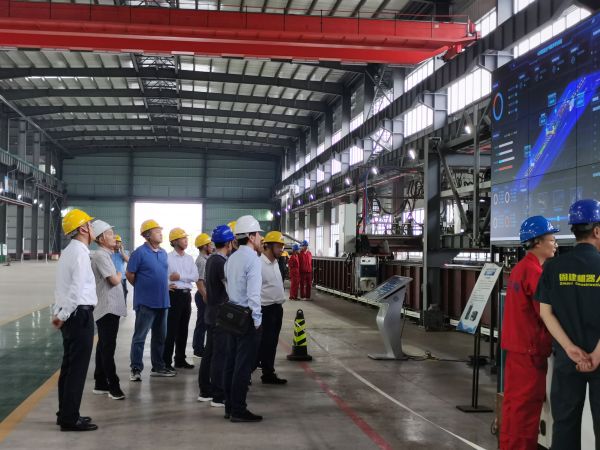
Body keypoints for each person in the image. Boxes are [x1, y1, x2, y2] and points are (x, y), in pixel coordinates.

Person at [537, 199, 600, 450]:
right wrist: (596, 354)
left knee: (564, 425)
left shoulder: (553, 267)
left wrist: (570, 348)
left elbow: (546, 313)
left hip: (567, 361)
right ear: (597, 231)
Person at [500, 216, 559, 450]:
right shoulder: (535, 273)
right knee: (525, 411)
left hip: (517, 350)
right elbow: (545, 313)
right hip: (530, 352)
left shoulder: (520, 269)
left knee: (514, 407)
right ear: (537, 242)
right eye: (551, 239)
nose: (555, 244)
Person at [52, 208, 98, 431]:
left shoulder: (68, 251)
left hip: (70, 316)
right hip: (79, 315)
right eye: (89, 224)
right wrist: (63, 314)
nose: (92, 227)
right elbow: (76, 290)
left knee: (69, 367)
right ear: (83, 229)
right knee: (77, 370)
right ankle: (70, 419)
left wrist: (59, 312)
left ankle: (65, 413)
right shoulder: (80, 253)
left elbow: (61, 287)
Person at [223, 215, 264, 423]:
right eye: (258, 234)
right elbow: (254, 294)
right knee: (243, 366)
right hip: (246, 317)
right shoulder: (253, 260)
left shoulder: (231, 258)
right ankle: (239, 409)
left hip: (232, 315)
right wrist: (257, 320)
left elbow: (228, 286)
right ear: (250, 236)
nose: (261, 238)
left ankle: (229, 407)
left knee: (231, 363)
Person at [127, 219, 174, 381]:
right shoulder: (139, 253)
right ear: (147, 235)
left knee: (160, 337)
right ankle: (135, 369)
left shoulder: (163, 253)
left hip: (163, 301)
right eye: (157, 231)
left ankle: (158, 367)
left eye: (161, 231)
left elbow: (161, 275)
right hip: (146, 303)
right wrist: (142, 288)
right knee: (140, 337)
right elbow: (130, 274)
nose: (161, 234)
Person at [198, 225, 235, 407]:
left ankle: (205, 390)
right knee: (220, 355)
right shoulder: (221, 262)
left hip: (212, 312)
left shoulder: (212, 259)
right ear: (229, 243)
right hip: (220, 314)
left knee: (210, 353)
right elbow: (230, 288)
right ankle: (218, 395)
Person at [91, 220, 127, 401]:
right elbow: (113, 280)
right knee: (108, 348)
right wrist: (119, 275)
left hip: (110, 307)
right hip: (107, 308)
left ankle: (100, 383)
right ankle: (113, 385)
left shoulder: (107, 255)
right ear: (101, 238)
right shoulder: (100, 256)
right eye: (110, 234)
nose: (114, 237)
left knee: (103, 346)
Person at [164, 227, 199, 370]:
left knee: (183, 329)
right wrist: (166, 285)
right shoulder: (167, 258)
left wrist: (180, 277)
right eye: (183, 238)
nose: (186, 241)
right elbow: (163, 275)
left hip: (186, 296)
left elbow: (195, 276)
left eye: (186, 238)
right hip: (174, 295)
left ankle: (180, 359)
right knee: (171, 329)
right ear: (174, 241)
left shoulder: (189, 258)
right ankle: (166, 362)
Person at [256, 231, 287, 385]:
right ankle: (246, 372)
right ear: (268, 246)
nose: (281, 249)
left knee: (272, 342)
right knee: (262, 343)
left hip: (277, 308)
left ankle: (268, 373)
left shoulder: (276, 263)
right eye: (279, 246)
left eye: (282, 246)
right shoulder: (259, 264)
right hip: (265, 310)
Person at [193, 233, 212, 358]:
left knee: (204, 322)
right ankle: (198, 348)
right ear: (204, 246)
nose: (212, 246)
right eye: (209, 244)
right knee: (202, 322)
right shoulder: (202, 261)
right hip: (202, 295)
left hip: (204, 294)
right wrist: (205, 296)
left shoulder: (207, 259)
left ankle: (200, 346)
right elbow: (199, 281)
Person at [111, 234, 130, 301]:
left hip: (122, 278)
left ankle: (123, 307)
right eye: (115, 242)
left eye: (118, 242)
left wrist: (122, 251)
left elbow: (128, 261)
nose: (117, 244)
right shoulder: (109, 253)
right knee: (113, 296)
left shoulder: (123, 253)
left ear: (120, 243)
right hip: (112, 278)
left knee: (124, 294)